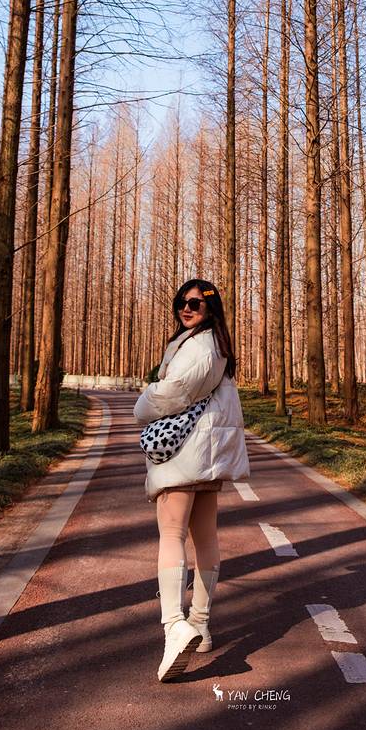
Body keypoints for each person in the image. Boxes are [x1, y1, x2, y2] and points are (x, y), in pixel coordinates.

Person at [133, 279, 250, 682]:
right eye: (182, 302)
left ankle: (174, 626)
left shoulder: (200, 346)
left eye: (196, 303)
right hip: (207, 452)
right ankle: (200, 623)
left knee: (171, 534)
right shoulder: (216, 344)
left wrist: (142, 403)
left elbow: (175, 392)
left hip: (185, 451)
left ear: (210, 308)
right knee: (205, 537)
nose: (187, 308)